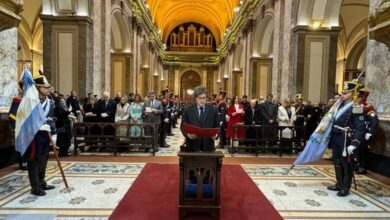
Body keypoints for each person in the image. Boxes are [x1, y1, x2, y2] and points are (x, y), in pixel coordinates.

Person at [326, 81, 366, 197]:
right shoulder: (341, 106)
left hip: (346, 139)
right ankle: (339, 183)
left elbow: (360, 128)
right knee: (337, 161)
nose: (343, 95)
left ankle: (345, 187)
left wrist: (354, 143)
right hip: (337, 136)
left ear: (353, 94)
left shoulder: (356, 108)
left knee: (346, 163)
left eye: (346, 93)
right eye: (343, 92)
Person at [26, 74, 56, 196]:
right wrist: (37, 126)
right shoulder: (30, 102)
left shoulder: (51, 102)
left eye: (49, 87)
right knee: (34, 160)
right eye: (45, 87)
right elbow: (25, 119)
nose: (48, 89)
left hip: (46, 135)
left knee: (44, 159)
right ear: (37, 88)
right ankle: (35, 186)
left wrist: (54, 135)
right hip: (34, 136)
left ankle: (42, 181)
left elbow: (52, 118)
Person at [180, 86, 219, 152]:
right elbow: (182, 127)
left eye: (204, 98)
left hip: (208, 146)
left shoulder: (213, 109)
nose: (202, 100)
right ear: (196, 98)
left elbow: (217, 125)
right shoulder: (188, 110)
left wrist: (216, 135)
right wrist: (188, 135)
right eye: (200, 98)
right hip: (192, 145)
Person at [355, 87, 379, 174]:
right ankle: (357, 165)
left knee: (362, 150)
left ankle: (362, 167)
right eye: (358, 96)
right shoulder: (356, 107)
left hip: (364, 132)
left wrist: (370, 132)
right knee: (356, 150)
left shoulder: (368, 108)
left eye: (360, 97)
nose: (358, 98)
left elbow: (374, 121)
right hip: (356, 132)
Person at [8, 81, 27, 170]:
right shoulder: (17, 101)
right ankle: (23, 163)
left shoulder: (28, 101)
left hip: (28, 127)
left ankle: (28, 161)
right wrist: (17, 126)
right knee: (22, 145)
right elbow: (12, 115)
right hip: (20, 127)